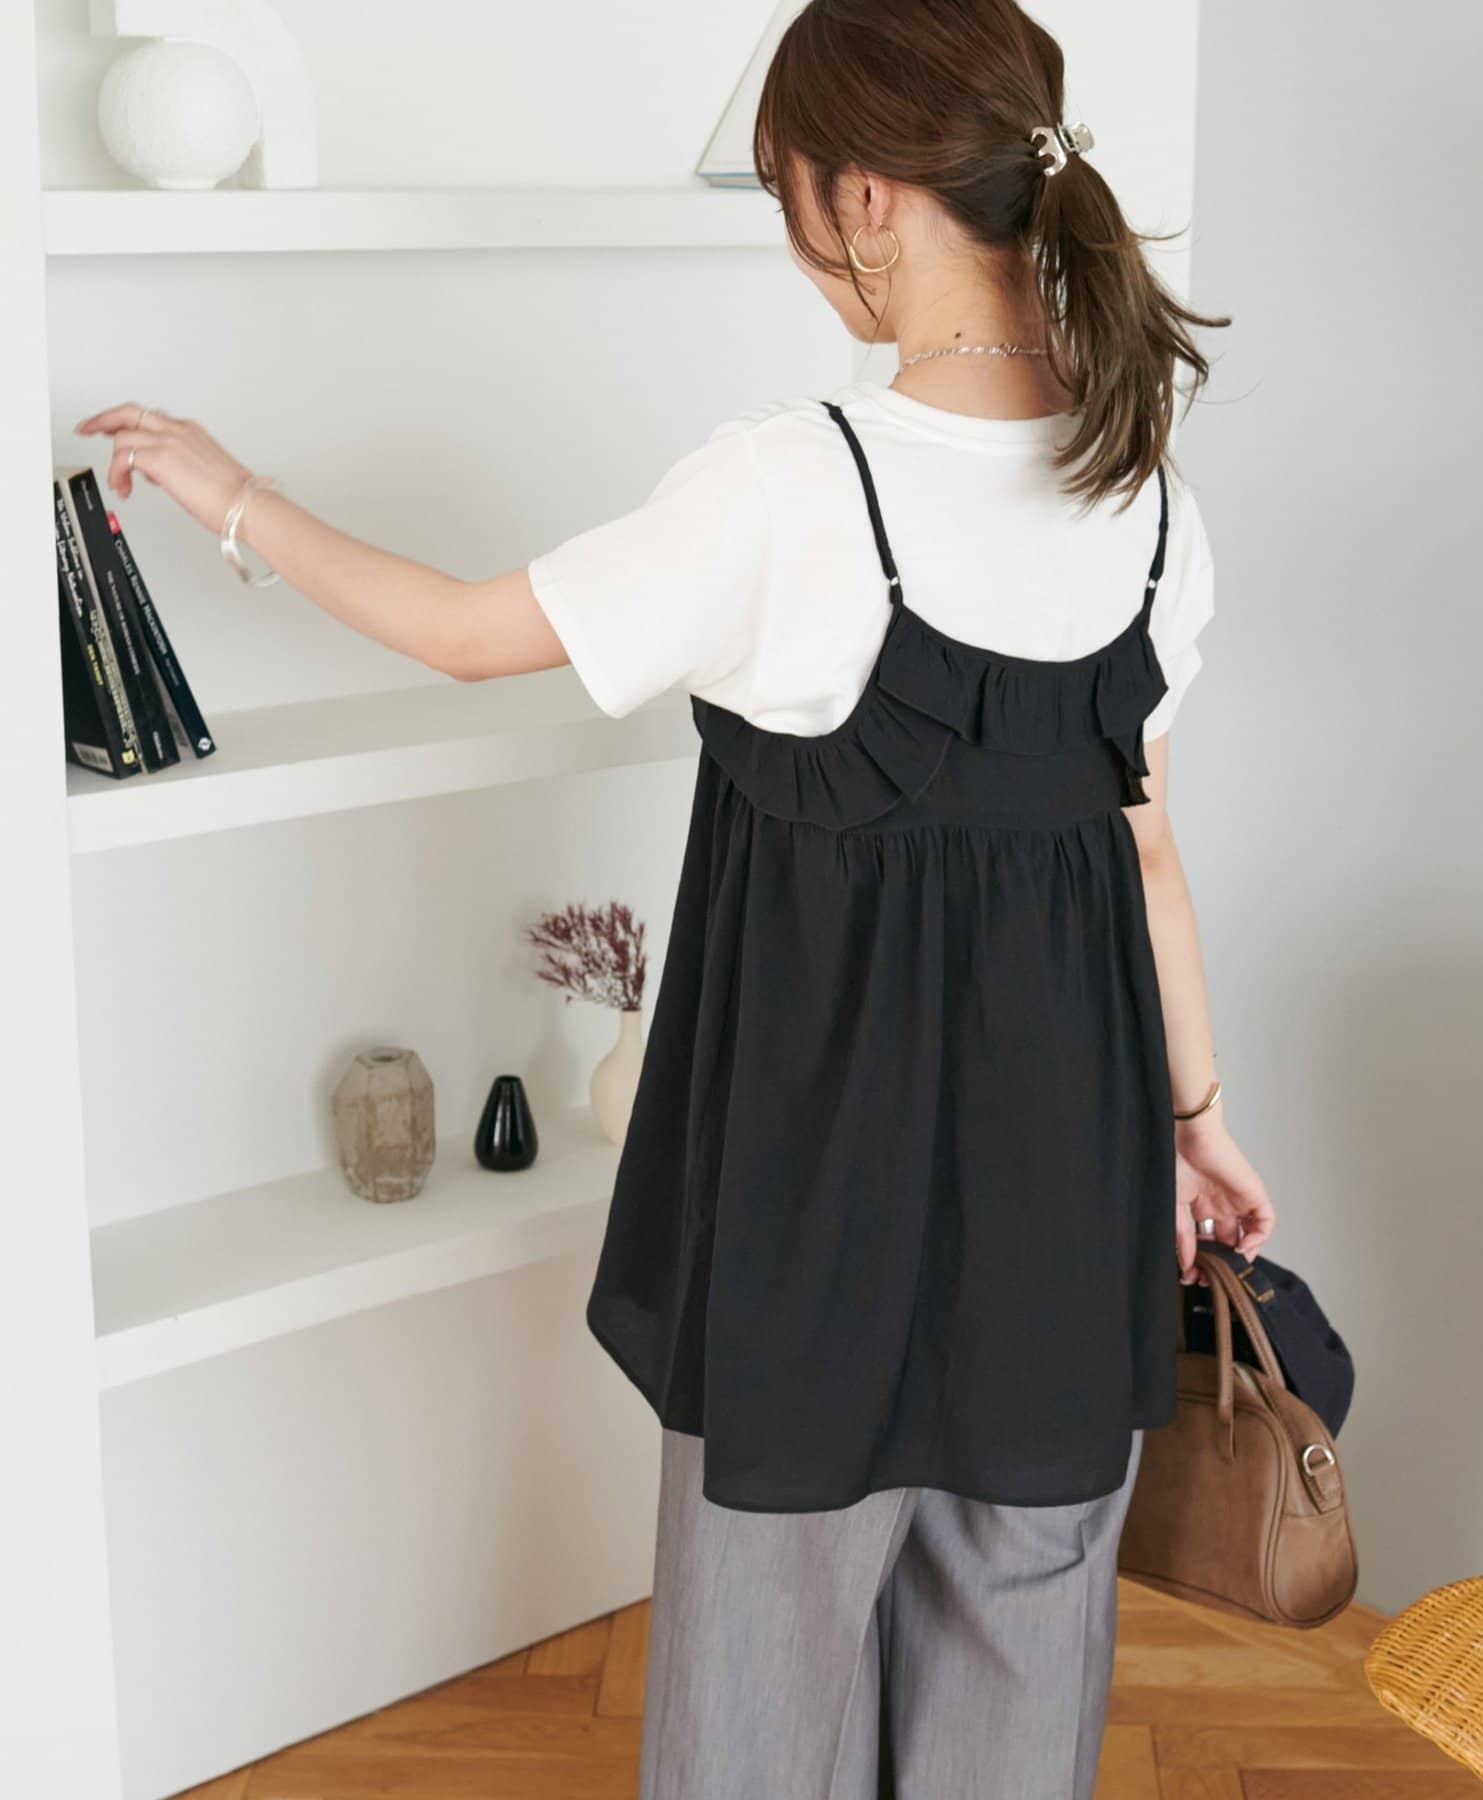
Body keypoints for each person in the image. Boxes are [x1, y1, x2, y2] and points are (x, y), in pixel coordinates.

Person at [76, 2, 1276, 1791]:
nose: (797, 243)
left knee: (761, 1704)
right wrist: (1196, 1122)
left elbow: (470, 634)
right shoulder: (1149, 502)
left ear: (865, 195)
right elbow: (1148, 849)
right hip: (1066, 1191)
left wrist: (236, 494)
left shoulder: (793, 486)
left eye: (788, 195)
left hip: (817, 1225)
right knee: (1022, 1678)